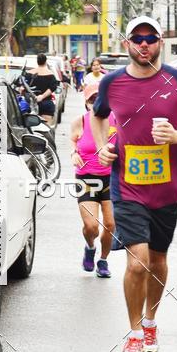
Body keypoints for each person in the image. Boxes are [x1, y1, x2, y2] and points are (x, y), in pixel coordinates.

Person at [92, 15, 177, 352]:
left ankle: (150, 324)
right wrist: (102, 147)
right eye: (137, 38)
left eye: (150, 38)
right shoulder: (111, 84)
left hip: (167, 190)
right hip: (126, 187)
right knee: (138, 260)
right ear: (127, 43)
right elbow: (98, 116)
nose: (144, 44)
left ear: (160, 42)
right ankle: (131, 335)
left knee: (158, 260)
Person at [70, 84, 116, 277]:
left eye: (100, 98)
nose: (95, 102)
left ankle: (103, 261)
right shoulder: (80, 121)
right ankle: (90, 248)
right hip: (86, 178)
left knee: (111, 225)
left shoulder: (117, 119)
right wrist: (73, 152)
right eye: (91, 99)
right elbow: (73, 140)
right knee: (91, 227)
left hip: (112, 178)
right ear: (86, 103)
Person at [26, 53, 58, 124]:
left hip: (31, 104)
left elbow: (24, 87)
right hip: (46, 103)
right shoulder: (50, 74)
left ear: (37, 62)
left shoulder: (29, 73)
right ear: (46, 61)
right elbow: (53, 87)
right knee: (47, 127)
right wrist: (42, 96)